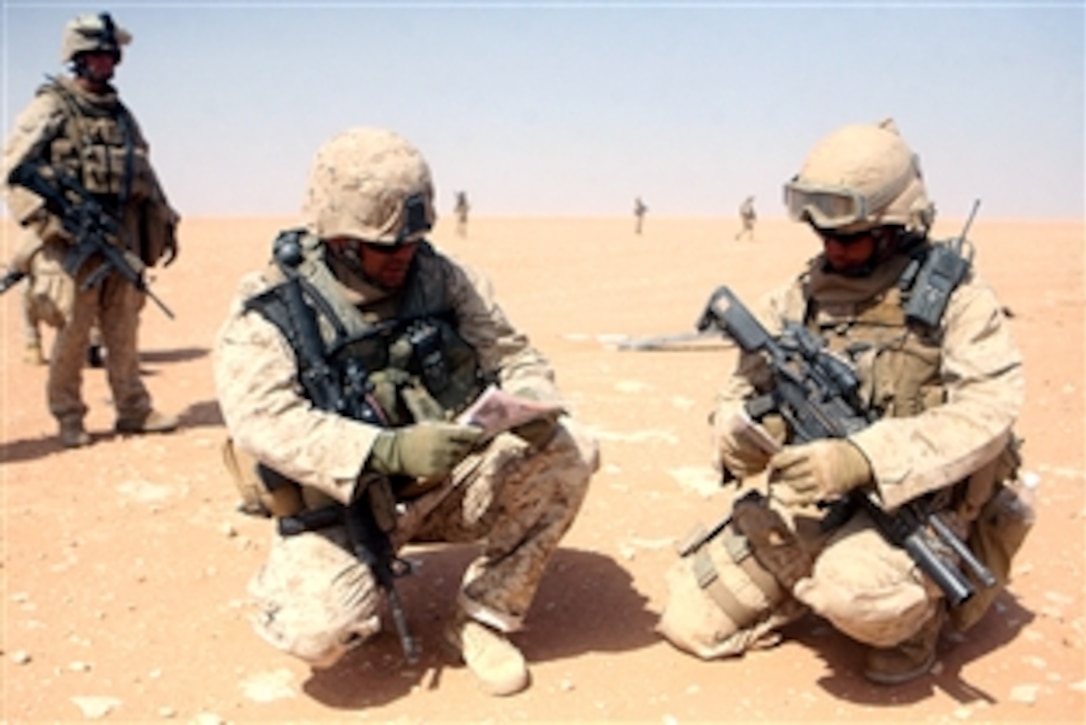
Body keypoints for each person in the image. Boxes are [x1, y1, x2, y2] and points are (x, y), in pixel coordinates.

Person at [213, 126, 599, 696]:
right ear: (340, 238)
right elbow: (261, 419)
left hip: (440, 487)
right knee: (316, 632)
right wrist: (382, 450)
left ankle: (481, 619)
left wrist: (532, 401)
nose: (403, 258)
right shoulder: (273, 308)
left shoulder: (443, 278)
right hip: (343, 506)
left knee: (569, 452)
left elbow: (514, 353)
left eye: (412, 243)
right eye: (385, 246)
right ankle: (332, 576)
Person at [657, 119, 1030, 685]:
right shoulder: (799, 297)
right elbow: (739, 391)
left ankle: (916, 621)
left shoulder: (958, 302)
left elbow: (990, 411)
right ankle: (802, 586)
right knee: (689, 622)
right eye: (822, 234)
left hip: (914, 503)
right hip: (813, 505)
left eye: (850, 237)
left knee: (856, 595)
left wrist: (863, 458)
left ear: (896, 227)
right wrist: (737, 432)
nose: (832, 248)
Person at [2, 11, 180, 448]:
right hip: (70, 242)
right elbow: (11, 170)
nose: (105, 63)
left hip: (119, 237)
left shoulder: (121, 114)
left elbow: (142, 169)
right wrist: (49, 222)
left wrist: (165, 219)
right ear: (76, 58)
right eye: (95, 56)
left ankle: (133, 409)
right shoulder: (51, 107)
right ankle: (68, 416)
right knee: (74, 330)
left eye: (109, 55)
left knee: (123, 327)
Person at [4, 227, 106, 368]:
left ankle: (33, 343)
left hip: (49, 301)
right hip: (70, 307)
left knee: (25, 281)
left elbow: (18, 261)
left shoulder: (35, 236)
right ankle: (89, 345)